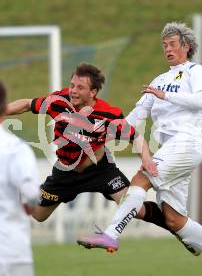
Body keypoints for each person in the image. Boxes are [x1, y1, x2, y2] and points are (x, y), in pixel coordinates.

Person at [78, 22, 202, 276]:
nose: (167, 49)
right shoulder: (157, 81)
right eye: (164, 45)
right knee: (174, 220)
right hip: (170, 148)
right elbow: (133, 119)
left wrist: (165, 95)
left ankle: (111, 234)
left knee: (140, 180)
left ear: (186, 46)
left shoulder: (196, 71)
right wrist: (100, 133)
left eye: (172, 44)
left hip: (185, 144)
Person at [5, 62, 179, 250]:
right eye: (72, 85)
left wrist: (146, 159)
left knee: (135, 208)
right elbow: (26, 104)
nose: (73, 90)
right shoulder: (58, 101)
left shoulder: (108, 114)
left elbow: (135, 137)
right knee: (38, 215)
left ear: (93, 92)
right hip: (65, 172)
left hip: (100, 170)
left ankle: (177, 226)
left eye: (80, 87)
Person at [0, 82, 40, 276]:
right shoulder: (15, 148)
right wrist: (29, 205)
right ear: (5, 108)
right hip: (9, 241)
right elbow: (30, 194)